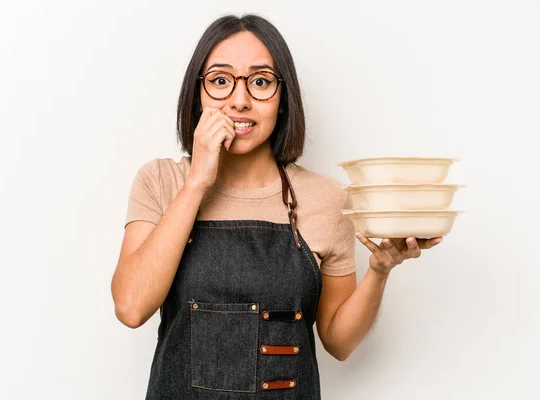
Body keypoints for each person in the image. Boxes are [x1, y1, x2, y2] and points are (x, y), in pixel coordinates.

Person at [110, 13, 442, 399]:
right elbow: (131, 308)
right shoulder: (160, 181)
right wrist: (197, 181)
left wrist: (380, 271)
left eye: (261, 82)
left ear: (282, 100)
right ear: (198, 95)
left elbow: (338, 342)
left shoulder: (327, 198)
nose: (240, 100)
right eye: (220, 81)